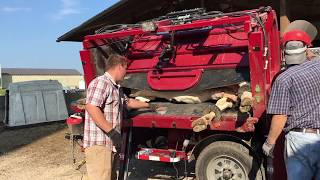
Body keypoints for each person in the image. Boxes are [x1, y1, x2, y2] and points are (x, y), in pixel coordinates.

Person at [84, 54, 157, 180]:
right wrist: (112, 132)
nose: (126, 73)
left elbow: (128, 102)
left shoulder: (116, 88)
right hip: (99, 144)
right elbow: (92, 107)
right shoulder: (101, 83)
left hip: (110, 144)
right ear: (119, 67)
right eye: (126, 69)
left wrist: (149, 106)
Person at [262, 20, 320, 180]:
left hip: (300, 142)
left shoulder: (284, 79)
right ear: (306, 49)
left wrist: (270, 143)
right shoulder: (318, 66)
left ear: (284, 53)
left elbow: (280, 115)